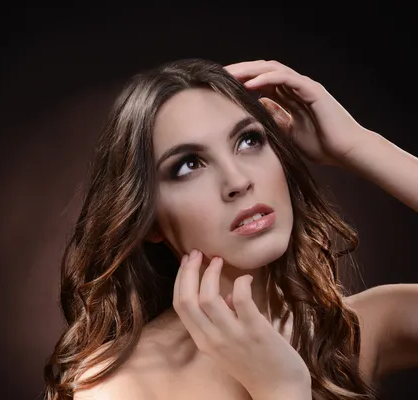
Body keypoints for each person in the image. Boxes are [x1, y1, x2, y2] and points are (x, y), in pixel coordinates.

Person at [43, 59, 418, 400]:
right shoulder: (124, 386)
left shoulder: (352, 332)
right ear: (150, 220)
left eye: (248, 140)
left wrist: (356, 146)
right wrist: (282, 389)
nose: (237, 180)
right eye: (189, 165)